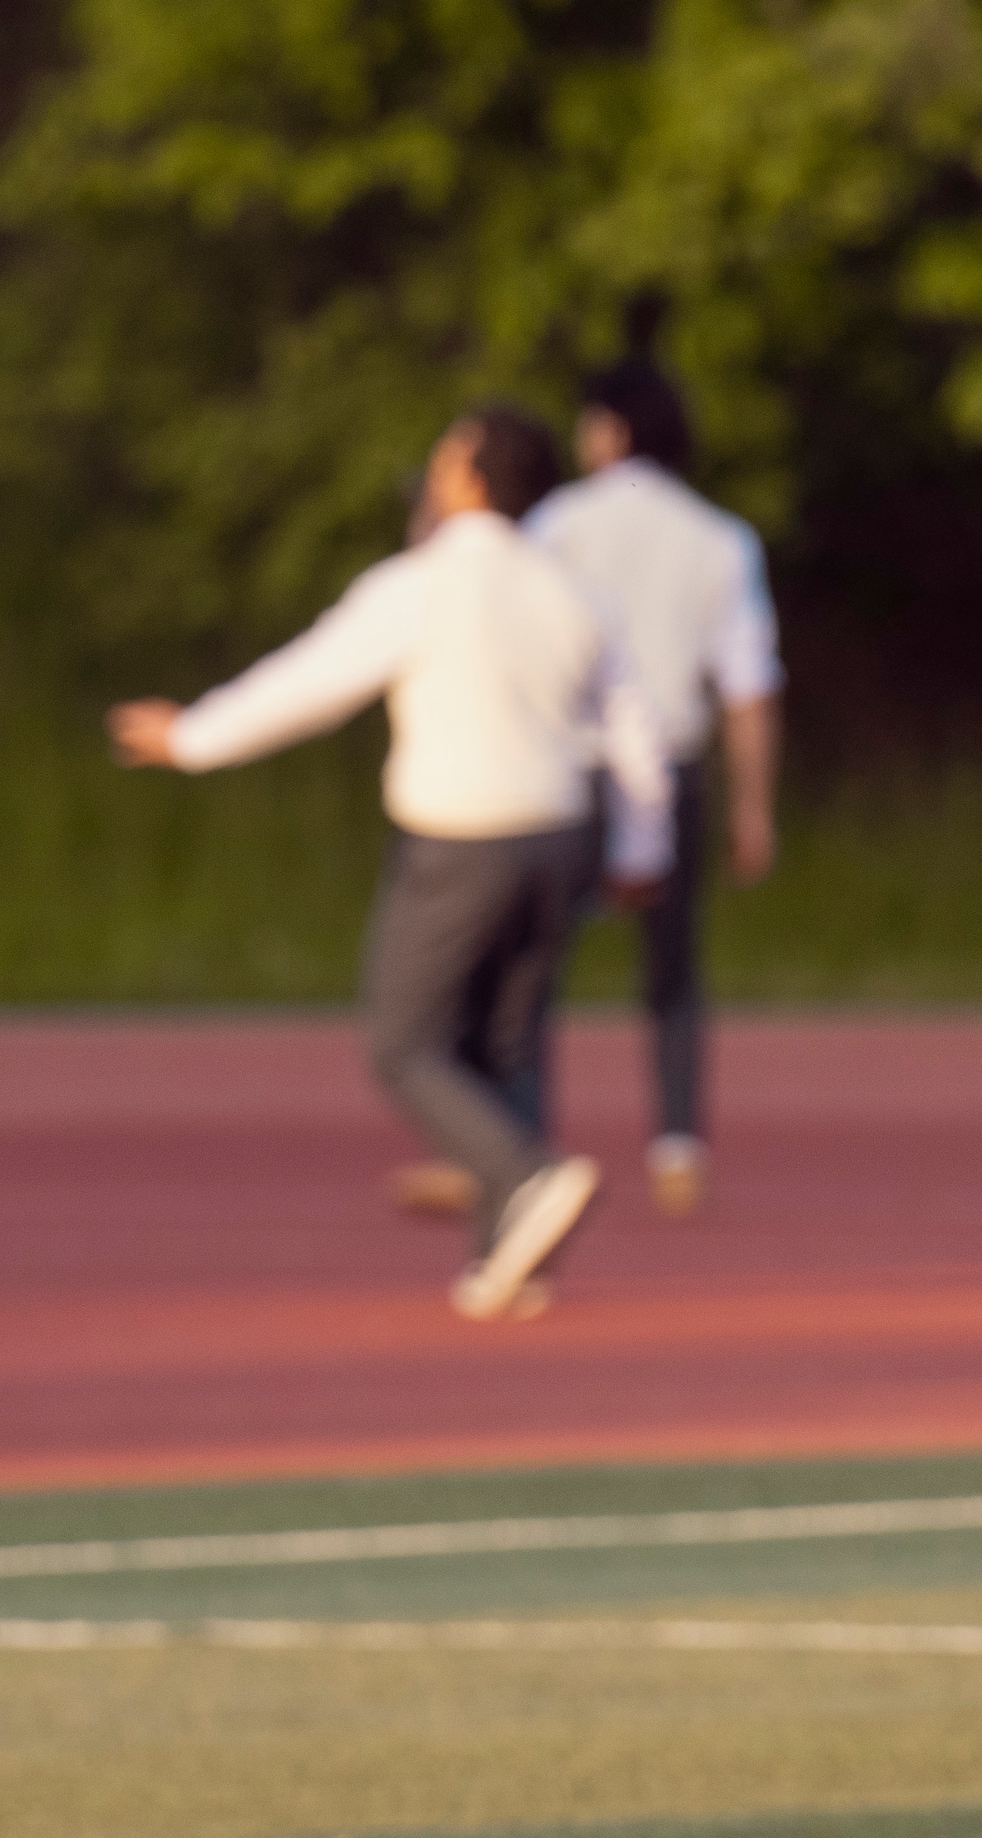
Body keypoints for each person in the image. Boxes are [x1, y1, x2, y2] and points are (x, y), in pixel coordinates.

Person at [110, 406, 674, 1319]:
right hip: (562, 836)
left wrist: (194, 738)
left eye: (447, 459)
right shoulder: (572, 589)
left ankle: (526, 1178)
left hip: (462, 837)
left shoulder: (423, 585)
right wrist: (643, 848)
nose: (433, 472)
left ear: (475, 481)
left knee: (405, 1044)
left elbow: (311, 681)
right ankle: (506, 1260)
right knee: (508, 1040)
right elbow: (635, 726)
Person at [517, 353, 783, 1218]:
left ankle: (521, 1146)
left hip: (574, 769)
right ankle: (677, 1145)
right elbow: (747, 686)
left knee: (534, 966)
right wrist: (754, 806)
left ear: (613, 428)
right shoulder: (719, 538)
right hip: (672, 766)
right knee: (673, 967)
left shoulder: (559, 523)